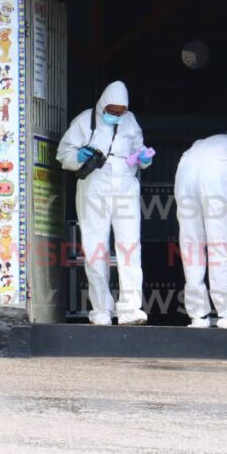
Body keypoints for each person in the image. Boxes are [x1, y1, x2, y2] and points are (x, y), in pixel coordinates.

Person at [57, 81, 152, 326]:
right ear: (103, 104)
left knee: (130, 247)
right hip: (94, 186)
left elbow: (140, 154)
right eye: (112, 110)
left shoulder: (131, 121)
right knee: (95, 247)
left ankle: (130, 309)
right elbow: (63, 154)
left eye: (121, 111)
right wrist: (78, 157)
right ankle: (101, 310)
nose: (116, 115)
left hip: (126, 185)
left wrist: (142, 158)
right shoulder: (85, 120)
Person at [175, 134, 227, 329]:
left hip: (185, 168)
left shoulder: (220, 143)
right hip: (216, 173)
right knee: (220, 245)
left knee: (191, 245)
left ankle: (197, 317)